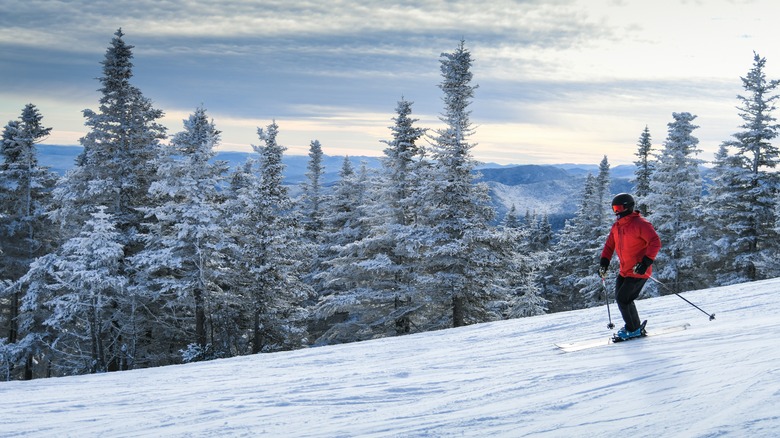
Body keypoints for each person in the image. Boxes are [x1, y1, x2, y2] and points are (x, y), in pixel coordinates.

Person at [599, 193, 661, 340]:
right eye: (614, 209)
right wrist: (604, 263)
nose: (616, 212)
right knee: (622, 299)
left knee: (623, 299)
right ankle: (634, 327)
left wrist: (645, 262)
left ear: (627, 207)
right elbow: (609, 245)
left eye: (618, 208)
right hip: (625, 270)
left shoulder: (641, 224)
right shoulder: (617, 226)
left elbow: (655, 242)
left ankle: (633, 329)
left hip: (639, 270)